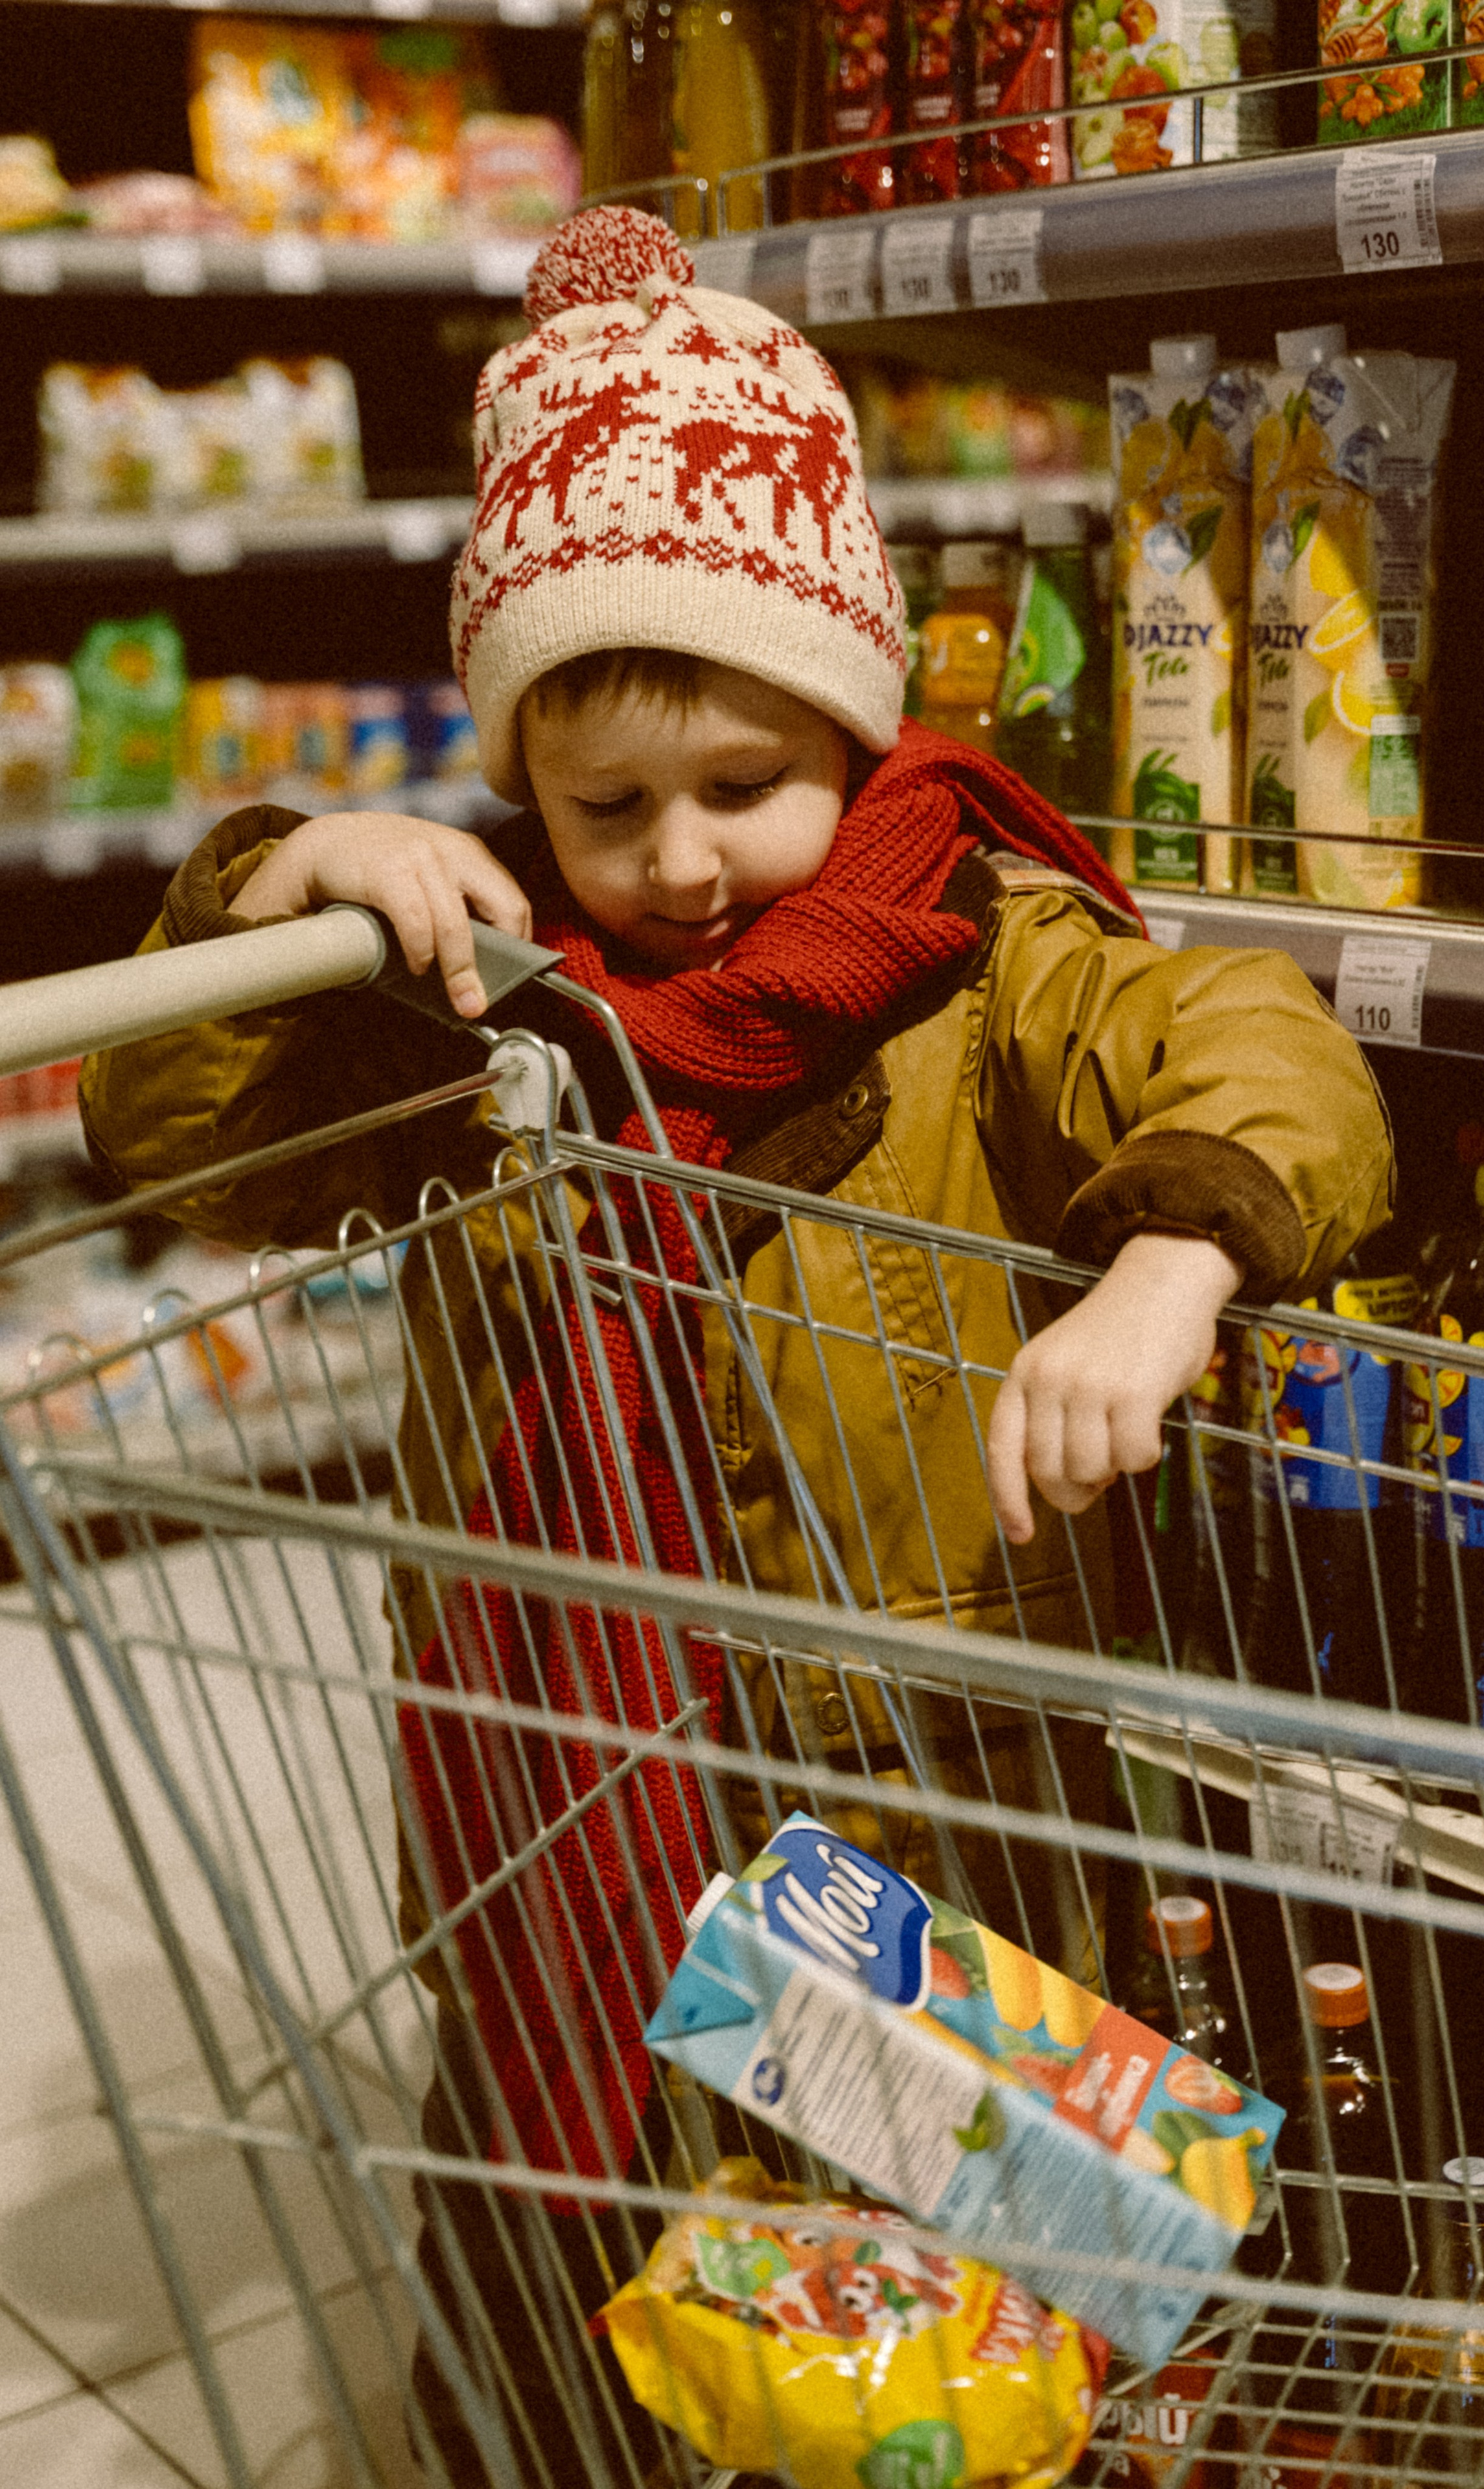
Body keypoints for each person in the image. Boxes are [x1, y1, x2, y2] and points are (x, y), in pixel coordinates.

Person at [80, 206, 1391, 2488]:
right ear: (528, 794)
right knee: (559, 2263)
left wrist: (1169, 1263)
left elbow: (1261, 1040)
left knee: (941, 2335)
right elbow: (188, 1145)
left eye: (743, 788)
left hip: (929, 1814)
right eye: (607, 810)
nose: (681, 866)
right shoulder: (488, 998)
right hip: (560, 1791)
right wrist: (287, 888)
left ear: (859, 730)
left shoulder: (989, 957)